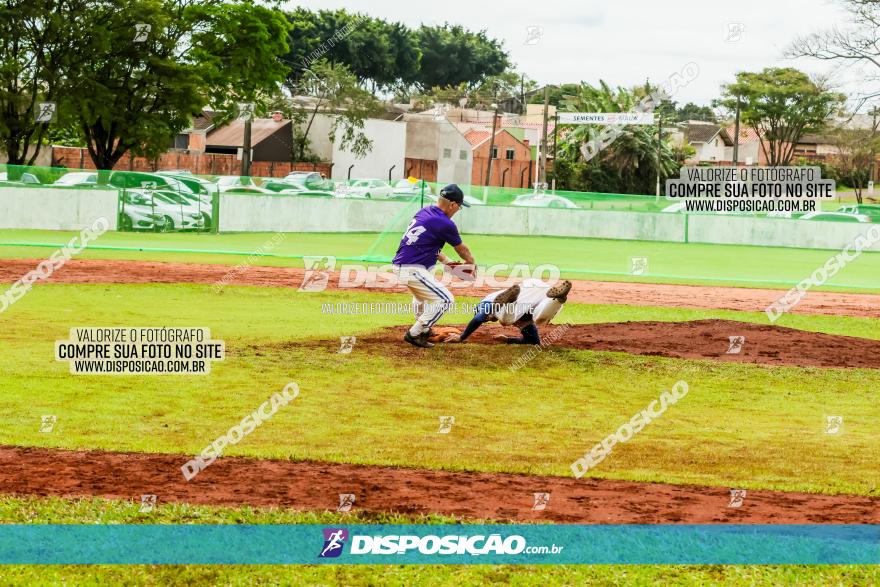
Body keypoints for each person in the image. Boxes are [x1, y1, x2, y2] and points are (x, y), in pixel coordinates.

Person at [392, 184, 475, 348]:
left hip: (405, 265)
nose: (459, 210)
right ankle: (414, 333)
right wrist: (471, 263)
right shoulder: (445, 223)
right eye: (459, 206)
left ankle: (424, 329)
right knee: (446, 299)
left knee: (420, 297)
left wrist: (446, 261)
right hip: (412, 267)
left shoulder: (426, 211)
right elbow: (461, 249)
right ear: (452, 204)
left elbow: (428, 245)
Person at [448, 278, 572, 344]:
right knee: (539, 319)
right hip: (539, 291)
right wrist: (507, 339)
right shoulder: (524, 320)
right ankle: (560, 298)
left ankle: (510, 302)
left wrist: (461, 337)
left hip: (524, 297)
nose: (487, 320)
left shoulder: (486, 302)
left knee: (505, 320)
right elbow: (533, 341)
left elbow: (478, 319)